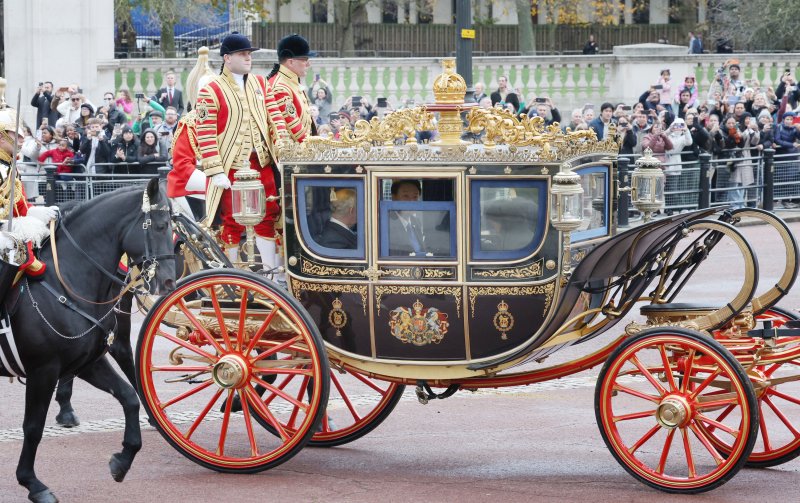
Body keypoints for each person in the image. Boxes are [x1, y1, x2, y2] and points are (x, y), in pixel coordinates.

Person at [195, 32, 288, 270]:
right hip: (231, 168)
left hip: (262, 163)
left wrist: (284, 145)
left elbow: (275, 116)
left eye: (249, 54)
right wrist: (216, 171)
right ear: (227, 58)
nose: (248, 58)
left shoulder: (259, 82)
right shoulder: (211, 89)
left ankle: (272, 273)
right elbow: (205, 134)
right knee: (231, 221)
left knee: (269, 215)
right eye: (243, 54)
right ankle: (232, 273)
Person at [269, 33, 318, 143]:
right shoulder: (280, 87)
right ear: (291, 62)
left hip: (301, 153)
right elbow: (297, 133)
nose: (308, 64)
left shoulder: (291, 82)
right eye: (305, 59)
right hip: (291, 155)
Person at [387, 179, 425, 256]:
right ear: (394, 198)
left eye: (415, 196)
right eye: (405, 196)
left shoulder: (415, 221)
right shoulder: (387, 222)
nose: (411, 201)